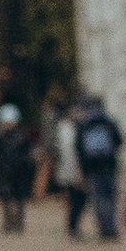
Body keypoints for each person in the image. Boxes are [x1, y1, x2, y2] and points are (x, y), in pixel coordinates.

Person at [77, 92, 124, 243]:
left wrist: (83, 170)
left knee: (97, 199)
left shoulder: (85, 124)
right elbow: (120, 141)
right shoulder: (109, 122)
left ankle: (103, 231)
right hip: (109, 166)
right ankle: (111, 229)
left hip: (92, 168)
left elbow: (79, 149)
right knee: (110, 198)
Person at [0, 102, 35, 234]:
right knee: (6, 197)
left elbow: (26, 153)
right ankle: (9, 222)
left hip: (17, 170)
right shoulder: (0, 135)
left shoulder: (20, 135)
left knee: (18, 198)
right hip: (5, 170)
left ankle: (18, 223)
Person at [53, 101, 86, 236]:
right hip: (74, 169)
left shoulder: (65, 128)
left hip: (71, 169)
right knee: (76, 198)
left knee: (76, 198)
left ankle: (73, 225)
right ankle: (72, 226)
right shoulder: (69, 128)